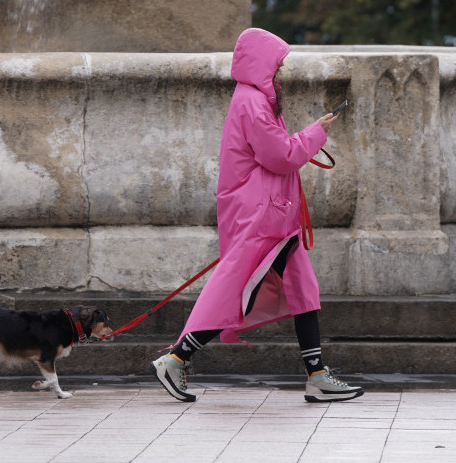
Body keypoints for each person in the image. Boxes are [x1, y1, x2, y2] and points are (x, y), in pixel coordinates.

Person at [150, 27, 362, 403]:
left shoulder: (253, 99)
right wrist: (316, 133)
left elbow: (275, 152)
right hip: (263, 217)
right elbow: (281, 156)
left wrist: (310, 134)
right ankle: (176, 358)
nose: (280, 73)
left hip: (272, 216)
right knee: (236, 291)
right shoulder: (253, 102)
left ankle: (316, 376)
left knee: (300, 290)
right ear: (262, 65)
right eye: (277, 66)